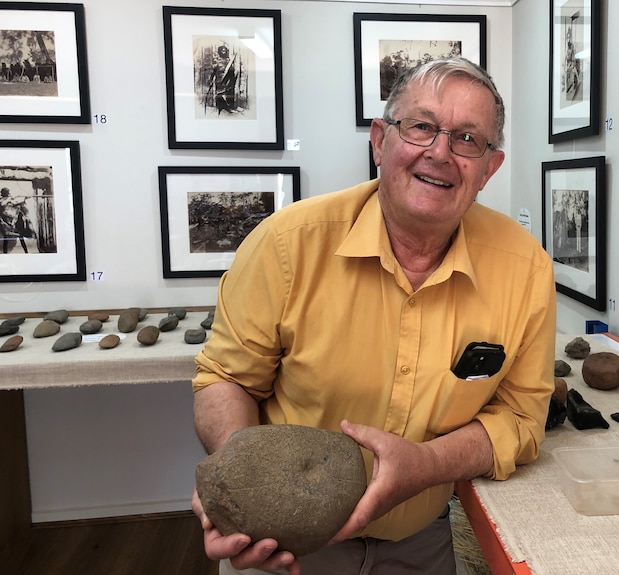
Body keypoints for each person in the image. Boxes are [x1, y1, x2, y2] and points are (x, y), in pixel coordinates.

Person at [191, 57, 556, 575]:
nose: (441, 153)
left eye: (468, 139)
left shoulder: (525, 269)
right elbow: (225, 378)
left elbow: (522, 416)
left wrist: (428, 465)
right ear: (381, 140)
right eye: (422, 127)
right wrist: (246, 481)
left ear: (489, 168)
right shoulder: (286, 245)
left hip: (422, 541)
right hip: (285, 546)